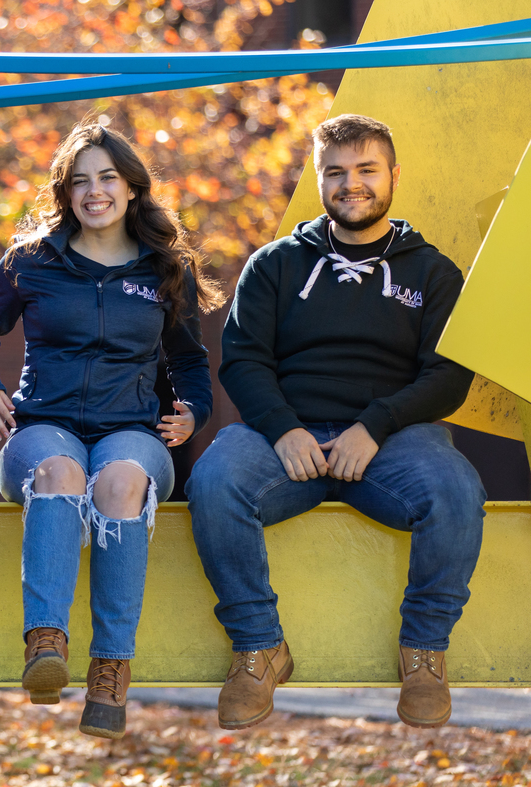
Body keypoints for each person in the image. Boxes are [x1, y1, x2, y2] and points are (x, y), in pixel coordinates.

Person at [186, 114, 484, 730]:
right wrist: (282, 427)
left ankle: (424, 650)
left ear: (393, 175)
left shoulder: (432, 272)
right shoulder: (274, 264)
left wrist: (375, 425)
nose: (352, 184)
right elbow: (242, 361)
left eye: (367, 170)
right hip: (287, 440)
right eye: (336, 172)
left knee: (457, 488)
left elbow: (450, 377)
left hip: (394, 442)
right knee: (214, 479)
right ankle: (259, 646)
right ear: (318, 180)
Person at [0, 123, 223, 738]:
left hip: (133, 431)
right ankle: (45, 645)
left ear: (131, 188)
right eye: (80, 181)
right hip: (42, 429)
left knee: (120, 484)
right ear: (66, 193)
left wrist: (194, 412)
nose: (94, 191)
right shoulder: (32, 260)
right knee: (62, 473)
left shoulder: (165, 267)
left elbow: (187, 362)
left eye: (106, 178)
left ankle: (110, 671)